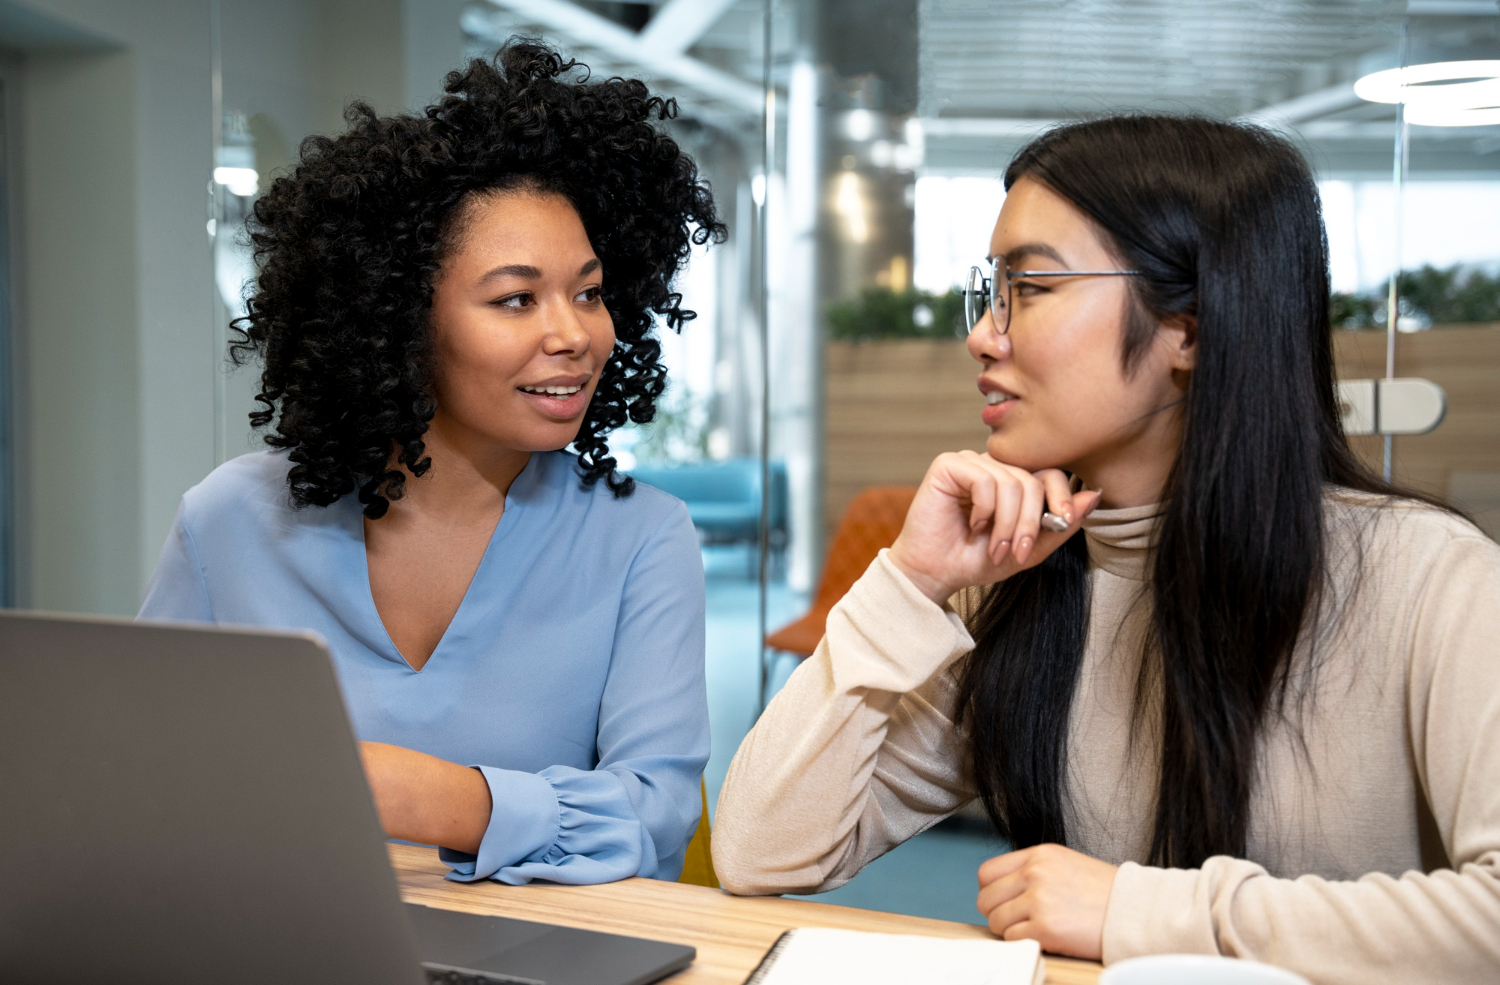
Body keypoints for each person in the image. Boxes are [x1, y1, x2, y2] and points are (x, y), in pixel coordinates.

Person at [711, 115, 1500, 982]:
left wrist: (1140, 909)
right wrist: (911, 580)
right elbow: (758, 851)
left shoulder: (1431, 577)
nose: (983, 334)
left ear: (1191, 326)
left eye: (1033, 288)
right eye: (991, 291)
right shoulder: (1020, 582)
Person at [140, 43, 722, 886]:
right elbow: (144, 770)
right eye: (516, 298)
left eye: (589, 291)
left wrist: (408, 793)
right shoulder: (229, 520)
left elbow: (654, 819)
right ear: (400, 319)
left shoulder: (642, 538)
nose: (575, 334)